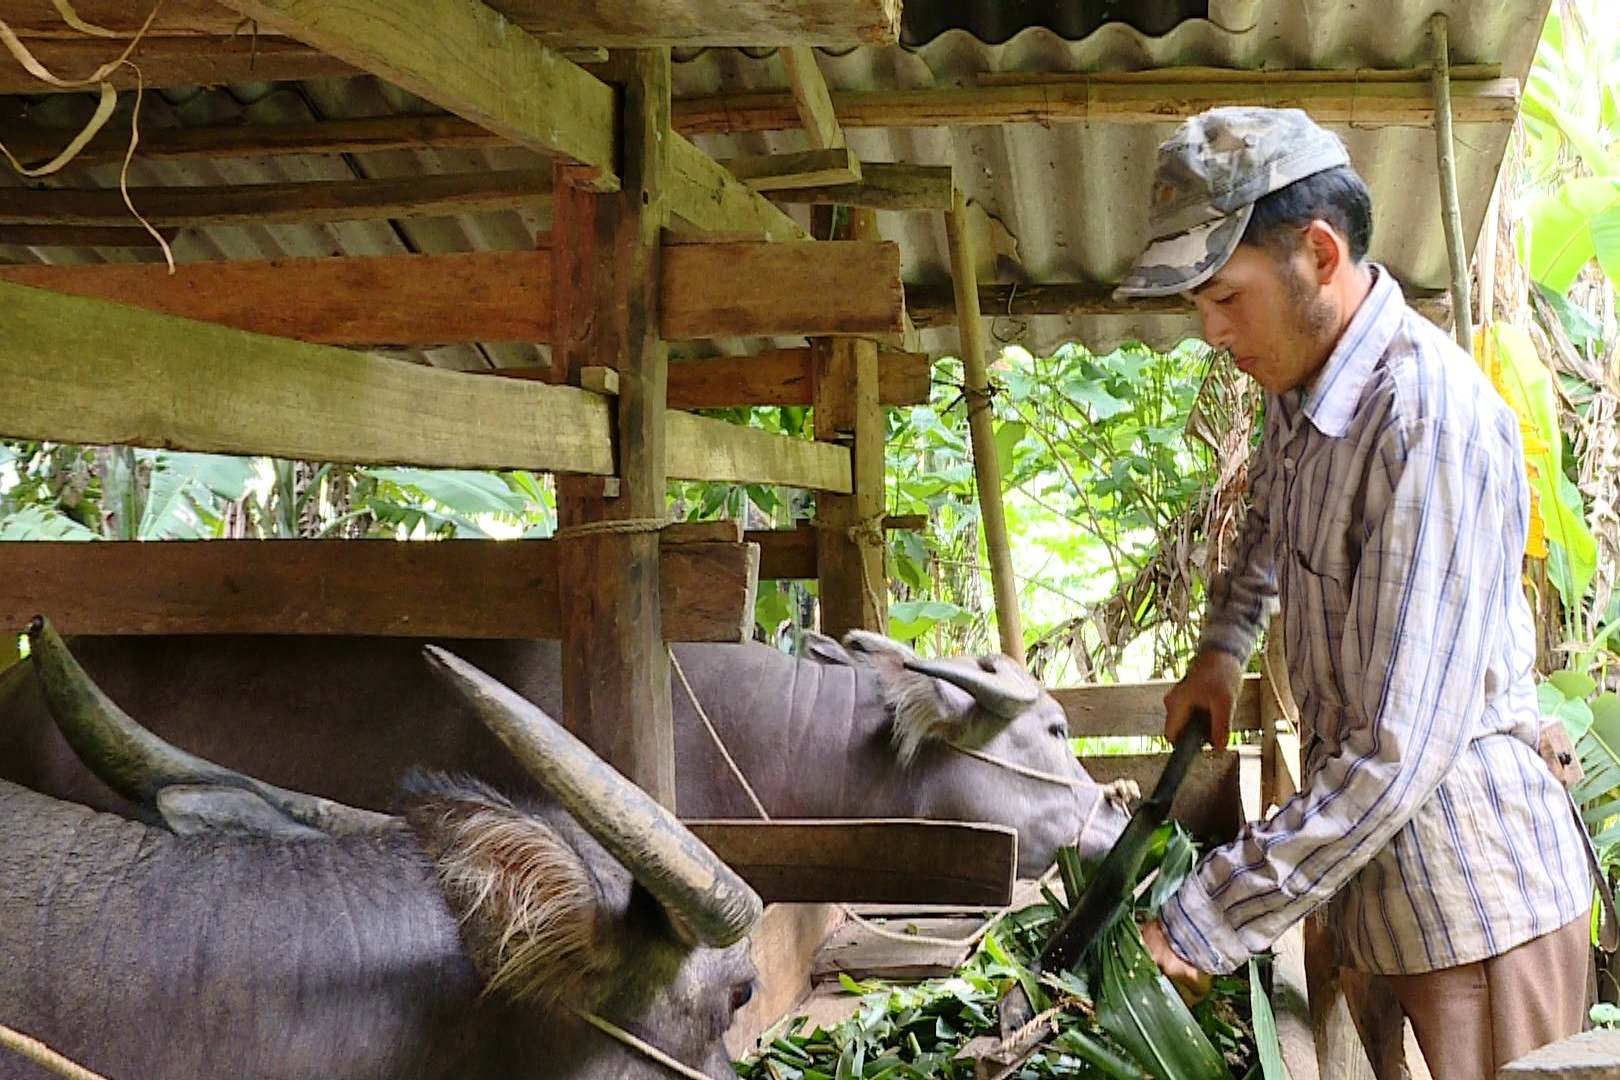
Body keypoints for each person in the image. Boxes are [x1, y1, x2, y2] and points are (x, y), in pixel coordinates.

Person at [1112, 106, 1596, 1080]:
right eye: (1197, 304)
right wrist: (1221, 647)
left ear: (1320, 256)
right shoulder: (1301, 390)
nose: (1210, 331)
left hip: (1476, 914)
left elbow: (1396, 753)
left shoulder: (1427, 423)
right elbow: (1261, 531)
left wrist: (1203, 921)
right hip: (1372, 893)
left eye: (1226, 297)